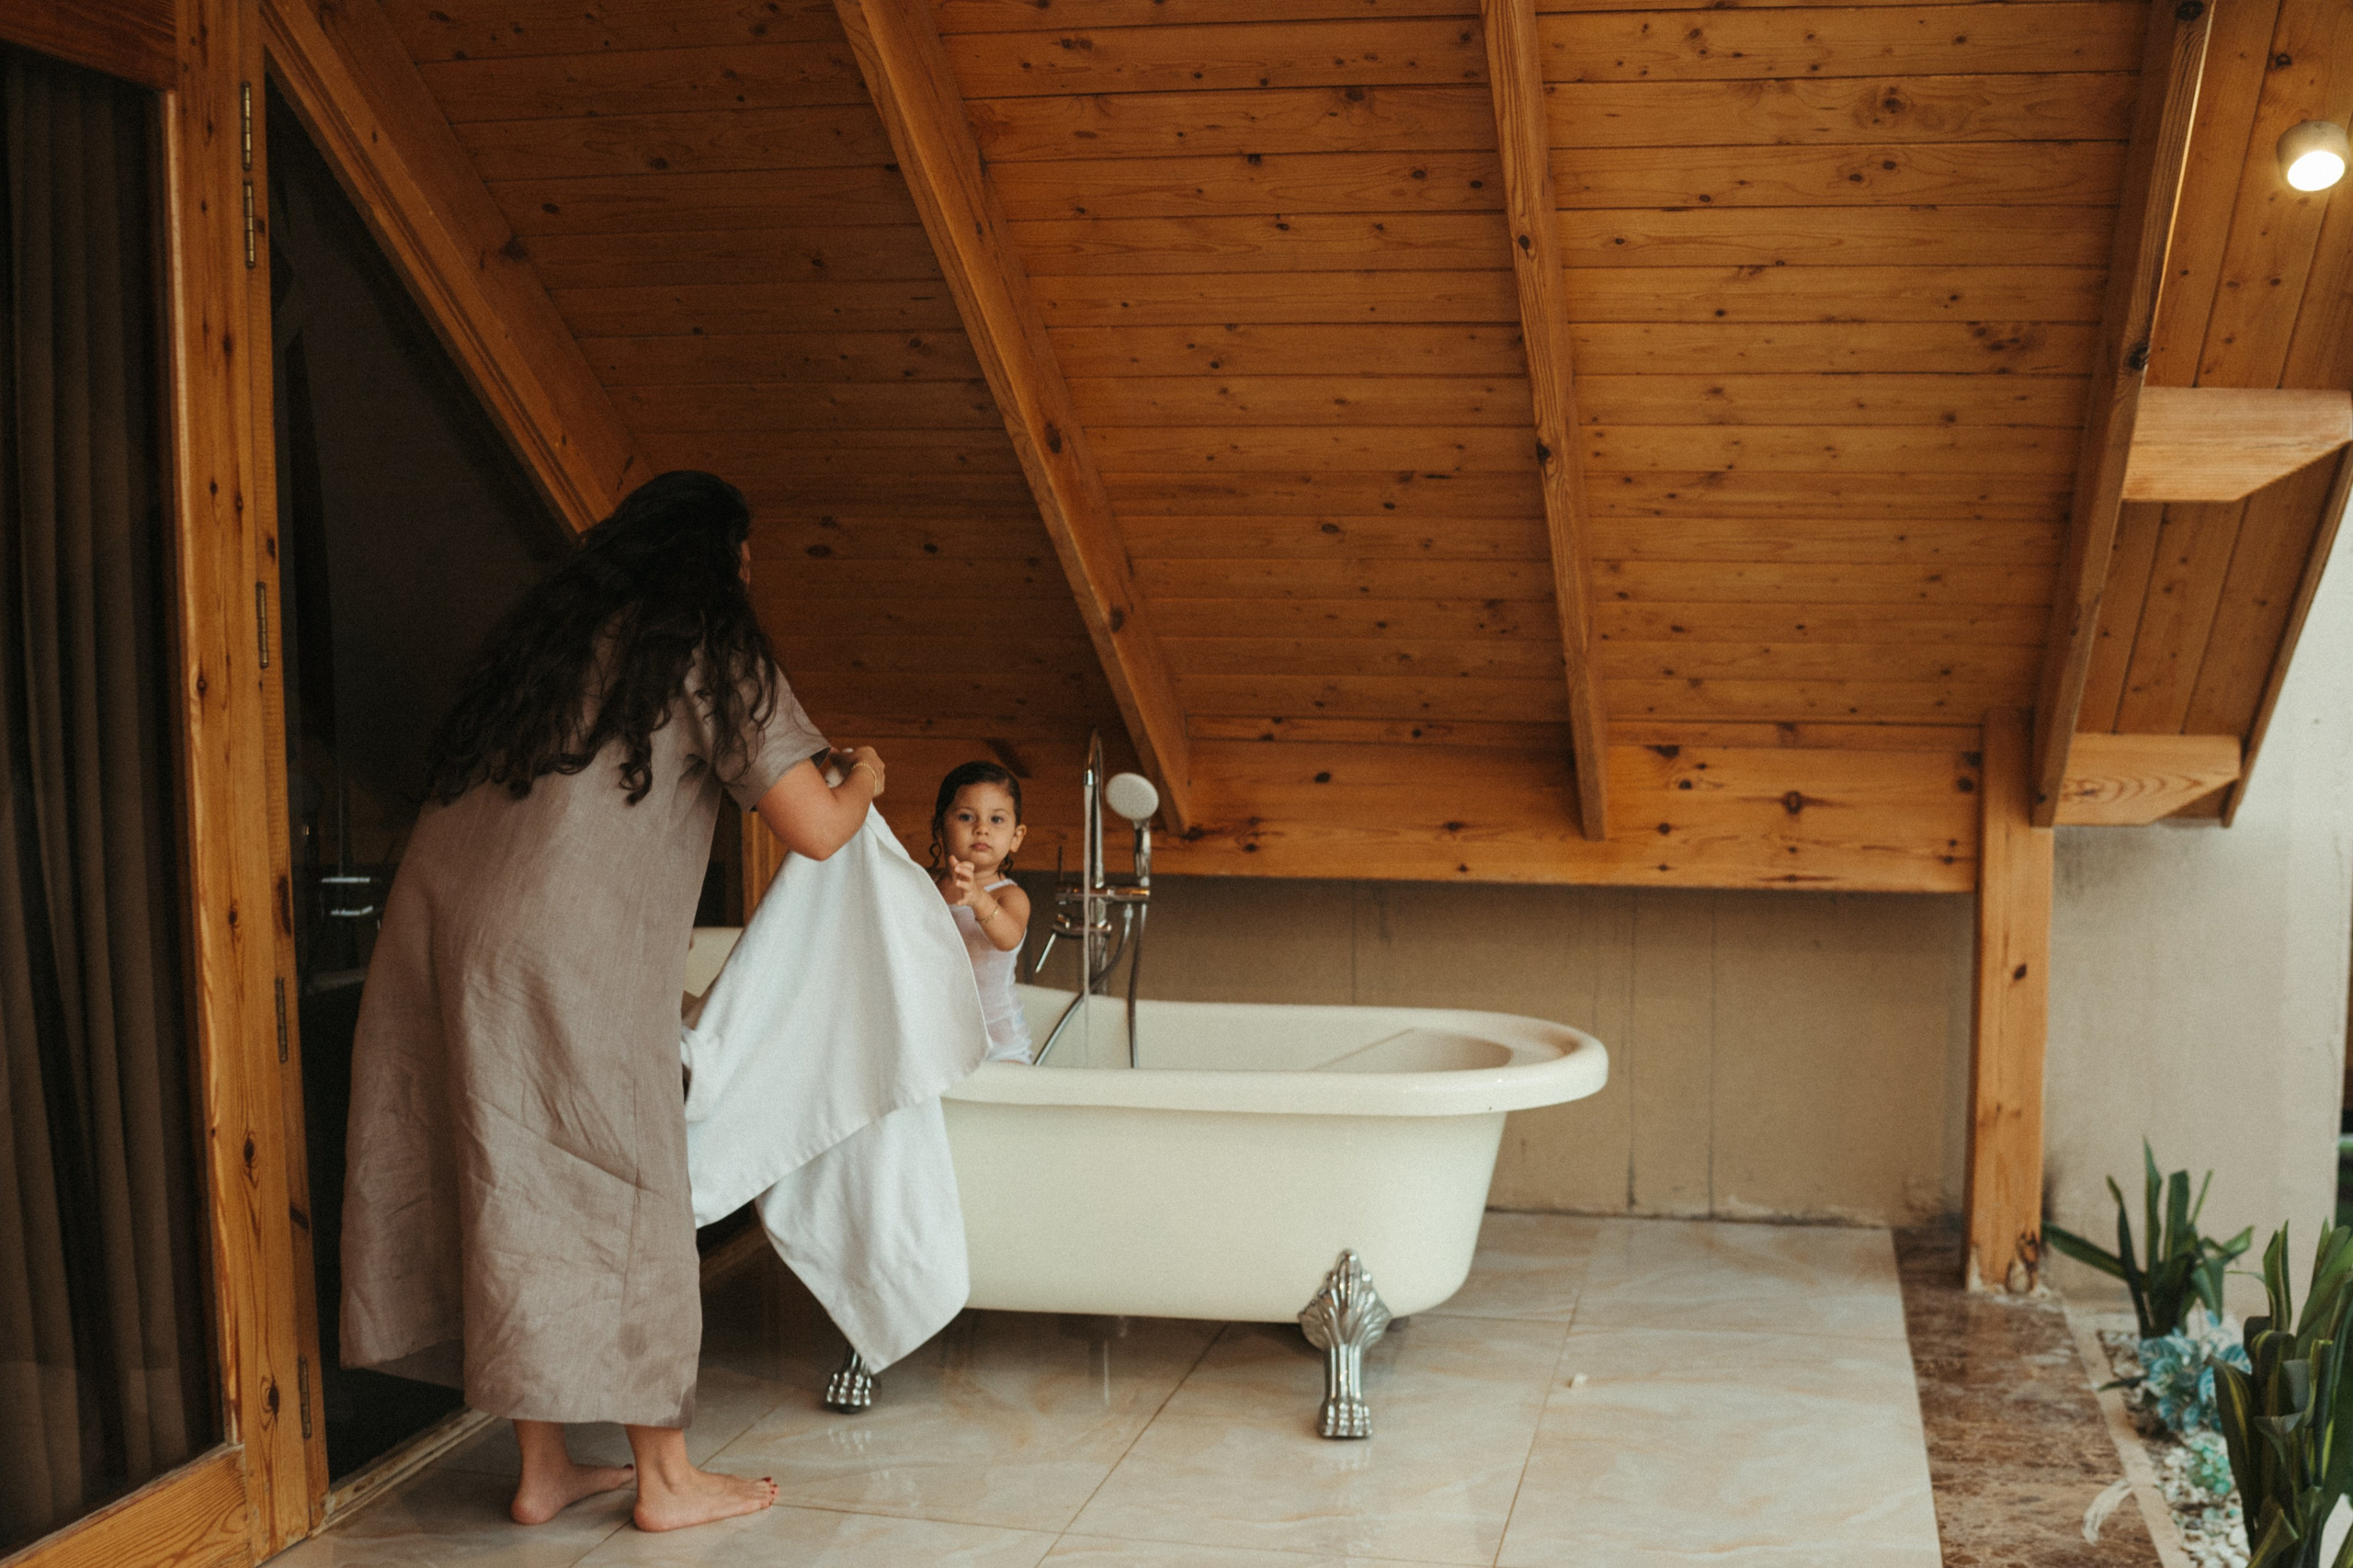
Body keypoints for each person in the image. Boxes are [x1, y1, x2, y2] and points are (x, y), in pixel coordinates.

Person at [338, 471, 885, 1532]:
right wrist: (862, 776)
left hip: (440, 929)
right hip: (557, 953)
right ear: (719, 558)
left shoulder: (550, 645)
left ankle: (542, 1467)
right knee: (621, 1172)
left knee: (502, 1170)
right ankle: (668, 1478)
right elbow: (815, 826)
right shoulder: (710, 643)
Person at [929, 762, 1033, 1063]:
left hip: (999, 1044)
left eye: (997, 819)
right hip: (942, 1040)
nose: (982, 828)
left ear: (1016, 837)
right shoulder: (928, 889)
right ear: (940, 828)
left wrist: (979, 899)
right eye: (966, 817)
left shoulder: (1010, 896)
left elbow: (1009, 938)